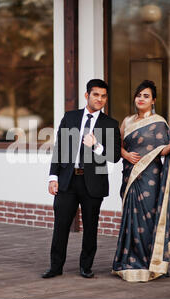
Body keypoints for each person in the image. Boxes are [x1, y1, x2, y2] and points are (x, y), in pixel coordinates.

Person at [42, 79, 121, 279]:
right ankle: (55, 267)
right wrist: (53, 177)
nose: (100, 99)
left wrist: (96, 146)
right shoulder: (70, 118)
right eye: (96, 95)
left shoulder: (110, 124)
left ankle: (86, 267)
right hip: (68, 180)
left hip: (93, 183)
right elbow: (59, 149)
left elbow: (114, 156)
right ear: (87, 96)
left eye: (103, 96)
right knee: (60, 225)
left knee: (90, 226)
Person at [112, 80, 170, 282]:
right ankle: (130, 262)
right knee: (131, 220)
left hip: (151, 178)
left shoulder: (159, 122)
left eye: (146, 96)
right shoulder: (127, 121)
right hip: (132, 177)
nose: (141, 99)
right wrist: (126, 155)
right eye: (139, 95)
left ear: (153, 100)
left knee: (148, 219)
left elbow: (162, 151)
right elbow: (118, 145)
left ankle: (153, 262)